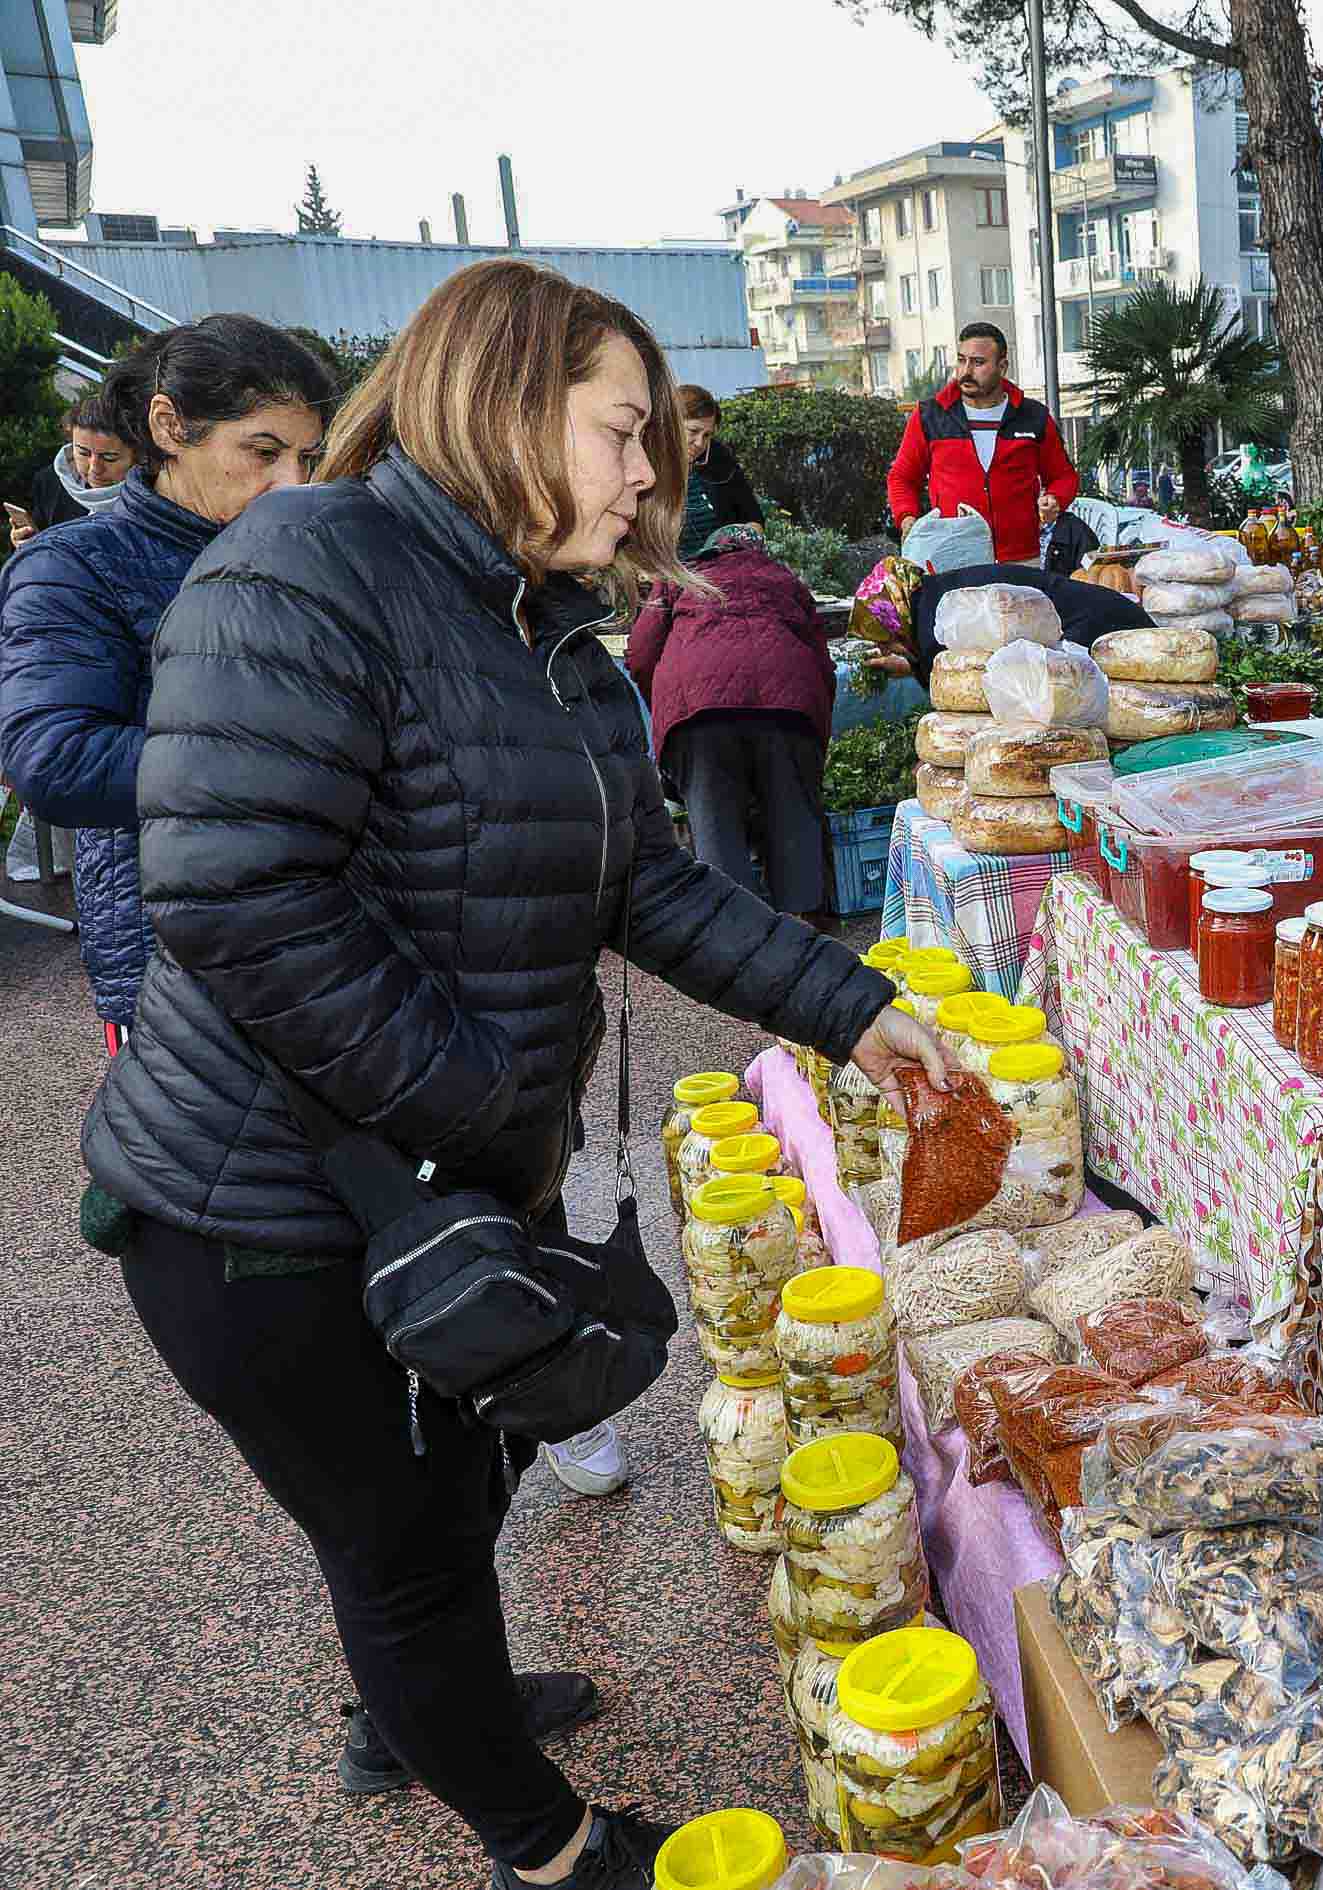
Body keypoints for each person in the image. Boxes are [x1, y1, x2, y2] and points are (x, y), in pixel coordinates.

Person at [82, 258, 951, 1890]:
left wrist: (851, 1003)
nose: (645, 476)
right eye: (624, 432)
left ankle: (424, 1707)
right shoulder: (307, 563)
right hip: (263, 1211)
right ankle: (539, 1841)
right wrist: (483, 1096)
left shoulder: (545, 632)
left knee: (455, 1497)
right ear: (501, 400)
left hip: (437, 1182)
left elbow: (645, 884)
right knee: (403, 1547)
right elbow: (230, 891)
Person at [0, 317, 334, 1041]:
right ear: (169, 424)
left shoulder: (310, 554)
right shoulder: (72, 566)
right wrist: (282, 759)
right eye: (264, 451)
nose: (292, 482)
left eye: (308, 457)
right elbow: (54, 762)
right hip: (175, 962)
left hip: (330, 945)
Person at [627, 521, 835, 921]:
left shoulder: (680, 577)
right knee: (793, 814)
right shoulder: (785, 579)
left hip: (701, 716)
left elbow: (639, 653)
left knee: (715, 823)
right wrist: (813, 739)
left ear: (711, 548)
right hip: (787, 707)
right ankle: (804, 928)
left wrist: (673, 706)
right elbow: (822, 666)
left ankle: (738, 933)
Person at [884, 321, 1079, 562]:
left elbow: (1064, 476)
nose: (966, 371)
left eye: (978, 363)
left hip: (1020, 559)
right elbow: (902, 477)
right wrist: (907, 518)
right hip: (951, 558)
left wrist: (1055, 499)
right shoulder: (929, 415)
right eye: (961, 360)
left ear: (1002, 366)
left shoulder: (1033, 416)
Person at [10, 393, 138, 548]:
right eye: (83, 453)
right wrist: (22, 544)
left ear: (137, 454)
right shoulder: (50, 481)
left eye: (109, 457)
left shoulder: (150, 499)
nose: (94, 469)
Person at [673, 385, 763, 560]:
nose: (700, 443)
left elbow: (753, 519)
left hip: (723, 566)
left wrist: (743, 540)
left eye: (707, 435)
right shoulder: (646, 465)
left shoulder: (719, 458)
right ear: (670, 425)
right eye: (693, 431)